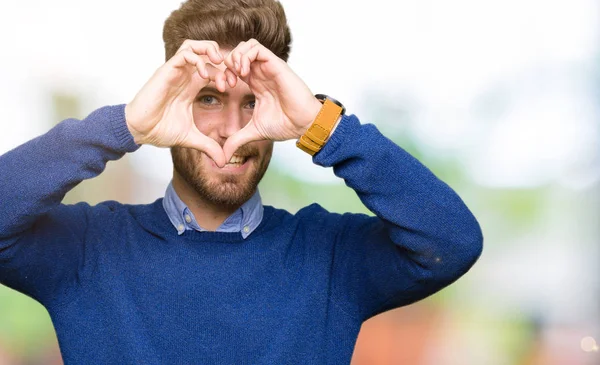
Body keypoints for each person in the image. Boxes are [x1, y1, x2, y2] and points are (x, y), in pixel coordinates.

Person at [0, 0, 483, 363]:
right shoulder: (86, 250)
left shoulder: (330, 256)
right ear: (172, 102)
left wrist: (323, 125)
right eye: (208, 98)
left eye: (254, 101)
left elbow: (453, 241)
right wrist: (125, 126)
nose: (232, 129)